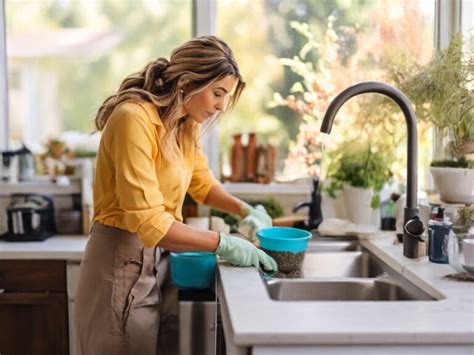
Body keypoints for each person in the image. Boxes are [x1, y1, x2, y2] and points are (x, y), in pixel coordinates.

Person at [74, 35, 277, 355]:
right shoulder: (134, 119)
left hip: (154, 259)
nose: (221, 106)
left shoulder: (184, 123)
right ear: (187, 83)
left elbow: (201, 183)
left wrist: (244, 209)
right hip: (118, 263)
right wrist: (224, 243)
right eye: (217, 93)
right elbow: (150, 223)